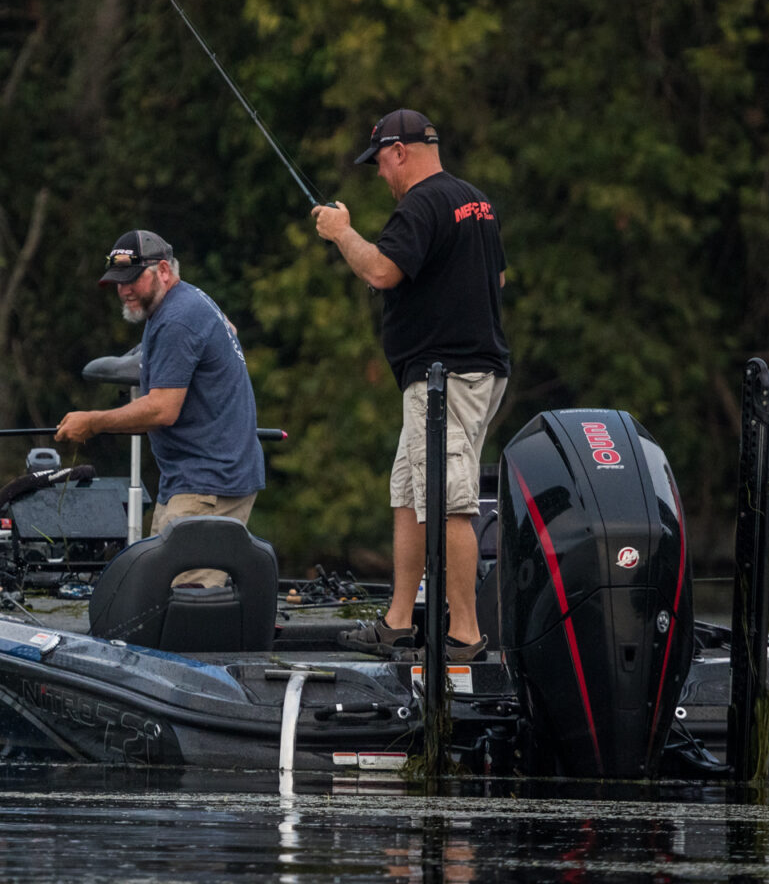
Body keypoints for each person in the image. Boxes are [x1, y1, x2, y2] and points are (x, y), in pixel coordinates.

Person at [312, 109, 510, 660]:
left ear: (399, 150)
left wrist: (340, 231)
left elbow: (381, 271)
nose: (380, 174)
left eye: (379, 161)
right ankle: (400, 621)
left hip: (445, 378)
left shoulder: (421, 202)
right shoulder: (476, 201)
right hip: (469, 371)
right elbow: (496, 278)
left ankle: (465, 634)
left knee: (448, 501)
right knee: (408, 493)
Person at [56, 230, 265, 585]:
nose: (124, 290)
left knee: (187, 602)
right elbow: (226, 329)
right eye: (117, 282)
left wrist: (93, 422)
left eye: (132, 279)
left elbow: (163, 410)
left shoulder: (177, 319)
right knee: (156, 590)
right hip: (193, 479)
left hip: (210, 483)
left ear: (164, 271)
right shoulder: (189, 300)